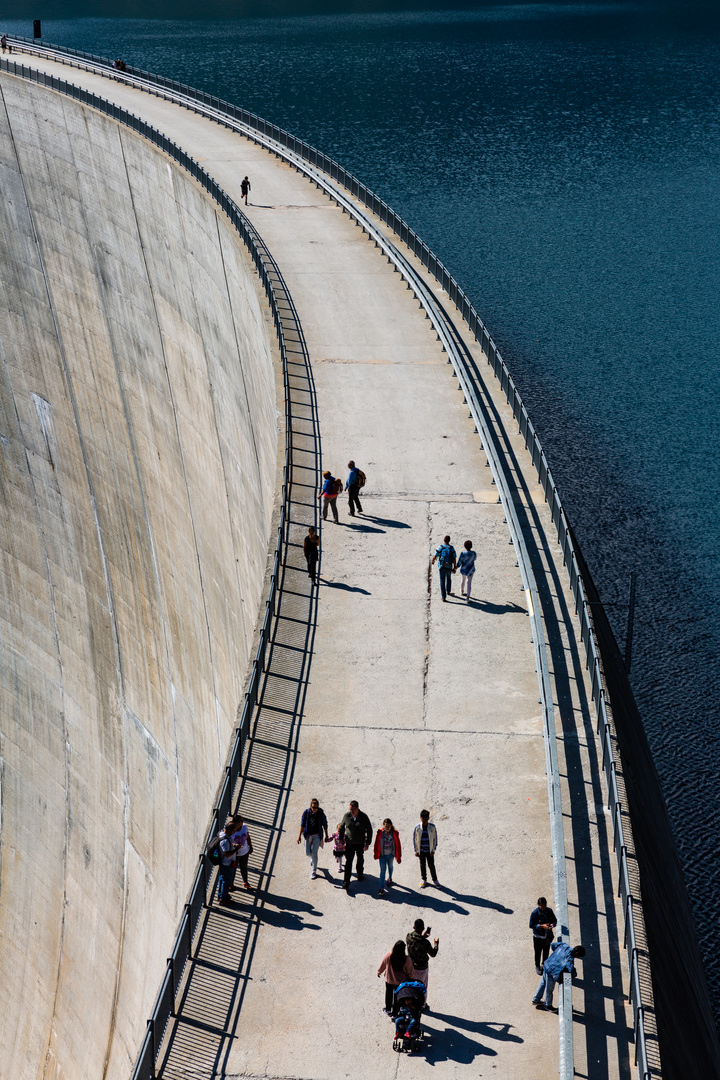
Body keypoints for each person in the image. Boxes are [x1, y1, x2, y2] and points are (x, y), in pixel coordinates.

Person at [532, 942, 585, 1010]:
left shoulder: (564, 945)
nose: (577, 957)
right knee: (549, 990)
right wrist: (574, 974)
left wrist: (556, 956)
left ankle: (536, 999)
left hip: (547, 964)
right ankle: (548, 1005)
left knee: (543, 983)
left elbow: (553, 945)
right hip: (552, 972)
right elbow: (570, 969)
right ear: (577, 953)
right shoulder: (569, 957)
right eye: (578, 956)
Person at [339, 800, 372, 893]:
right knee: (348, 862)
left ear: (357, 808)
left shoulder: (364, 817)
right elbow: (341, 827)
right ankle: (346, 882)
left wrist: (367, 843)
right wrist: (341, 838)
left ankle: (360, 873)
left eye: (353, 810)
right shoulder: (346, 816)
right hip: (349, 843)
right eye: (350, 809)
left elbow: (369, 830)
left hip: (360, 843)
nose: (351, 811)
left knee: (360, 858)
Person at [377, 940, 414, 1014]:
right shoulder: (406, 959)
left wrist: (379, 972)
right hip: (400, 982)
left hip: (389, 980)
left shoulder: (388, 955)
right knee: (397, 997)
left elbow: (383, 964)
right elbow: (410, 971)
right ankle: (395, 1013)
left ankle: (388, 1009)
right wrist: (411, 978)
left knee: (388, 994)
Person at [406, 918, 439, 999]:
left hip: (410, 966)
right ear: (423, 928)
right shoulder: (425, 942)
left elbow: (417, 941)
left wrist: (423, 937)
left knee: (411, 985)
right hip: (422, 968)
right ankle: (422, 1004)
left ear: (414, 927)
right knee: (422, 986)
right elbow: (433, 954)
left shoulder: (408, 936)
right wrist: (436, 944)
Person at [297, 798, 329, 879]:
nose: (315, 809)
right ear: (310, 806)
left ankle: (314, 870)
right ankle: (313, 859)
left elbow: (325, 824)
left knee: (314, 853)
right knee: (307, 853)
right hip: (308, 835)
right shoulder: (306, 812)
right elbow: (302, 824)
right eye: (313, 807)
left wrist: (326, 836)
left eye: (316, 807)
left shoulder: (320, 813)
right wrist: (299, 836)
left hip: (317, 836)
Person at [373, 818, 402, 897]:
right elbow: (376, 843)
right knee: (382, 870)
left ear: (391, 826)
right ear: (383, 826)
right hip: (382, 855)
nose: (387, 827)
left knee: (390, 866)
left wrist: (398, 857)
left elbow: (398, 845)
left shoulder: (394, 833)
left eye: (388, 826)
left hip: (391, 854)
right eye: (386, 826)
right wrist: (376, 853)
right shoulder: (380, 833)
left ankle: (390, 877)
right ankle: (381, 888)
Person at [529, 896, 557, 974]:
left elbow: (554, 921)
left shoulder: (549, 911)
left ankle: (543, 965)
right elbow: (531, 925)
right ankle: (537, 966)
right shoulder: (535, 913)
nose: (542, 907)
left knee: (546, 952)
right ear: (538, 905)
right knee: (537, 952)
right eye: (541, 906)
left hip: (547, 936)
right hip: (538, 937)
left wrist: (551, 925)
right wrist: (541, 926)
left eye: (544, 905)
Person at [413, 809, 439, 887]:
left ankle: (435, 880)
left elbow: (435, 839)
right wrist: (416, 851)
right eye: (423, 818)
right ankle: (423, 879)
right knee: (422, 865)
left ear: (428, 818)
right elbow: (414, 839)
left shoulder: (432, 827)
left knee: (431, 865)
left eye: (426, 818)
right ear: (420, 818)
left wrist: (433, 850)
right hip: (421, 851)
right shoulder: (417, 827)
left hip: (429, 851)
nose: (424, 820)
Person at [229, 814, 254, 892]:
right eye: (241, 821)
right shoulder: (231, 830)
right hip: (235, 855)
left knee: (244, 867)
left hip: (245, 852)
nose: (243, 822)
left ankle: (245, 882)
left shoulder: (244, 827)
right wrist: (234, 846)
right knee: (233, 868)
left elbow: (248, 837)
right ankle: (231, 883)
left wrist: (250, 846)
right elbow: (228, 841)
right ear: (236, 822)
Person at [217, 815, 238, 905]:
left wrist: (233, 845)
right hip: (227, 864)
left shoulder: (221, 833)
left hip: (224, 863)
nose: (234, 832)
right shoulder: (225, 841)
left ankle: (221, 895)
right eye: (233, 831)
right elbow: (227, 853)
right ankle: (224, 899)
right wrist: (236, 849)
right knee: (226, 881)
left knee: (222, 879)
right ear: (229, 830)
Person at [431, 535, 456, 601]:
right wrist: (454, 567)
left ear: (444, 540)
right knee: (448, 578)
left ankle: (443, 597)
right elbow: (454, 557)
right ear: (449, 541)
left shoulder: (441, 547)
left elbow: (435, 555)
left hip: (442, 566)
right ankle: (448, 591)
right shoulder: (451, 548)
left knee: (442, 581)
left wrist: (433, 561)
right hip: (449, 566)